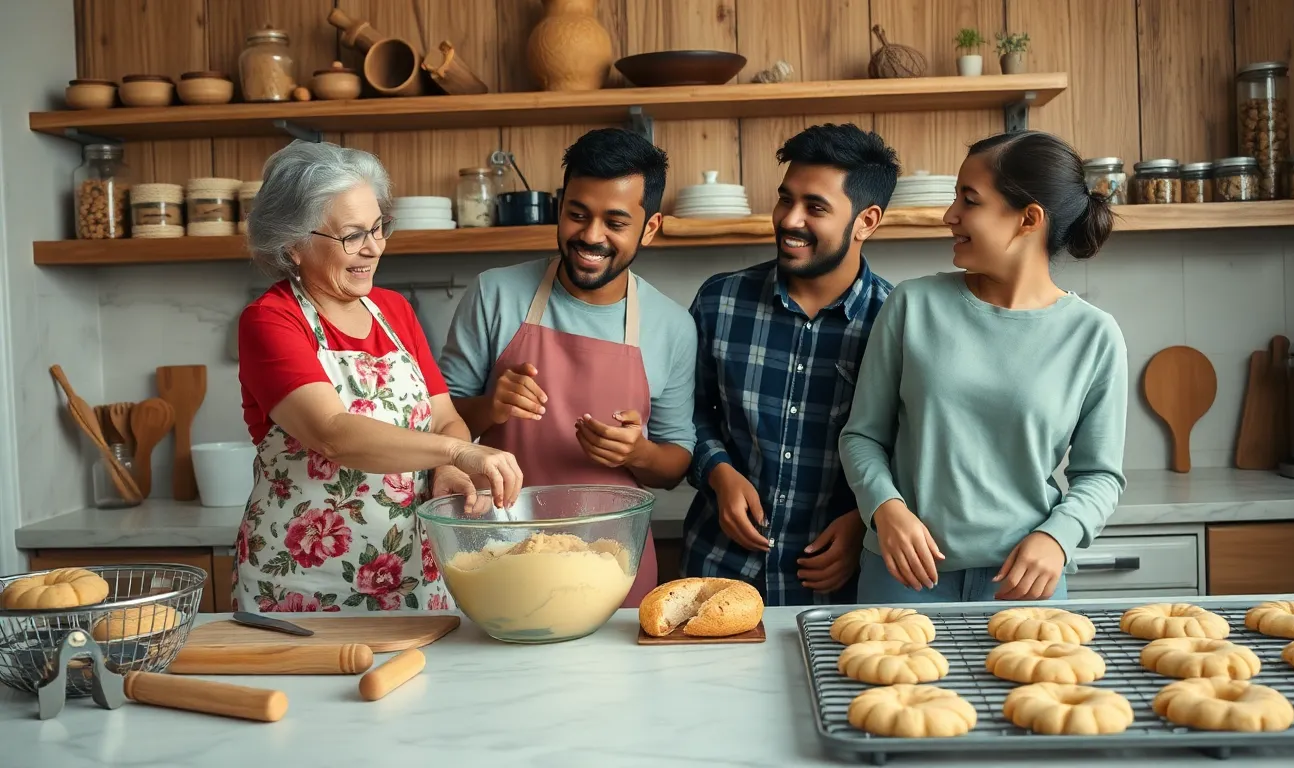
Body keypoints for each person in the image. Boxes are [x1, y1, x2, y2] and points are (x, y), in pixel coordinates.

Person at [234, 140, 523, 613]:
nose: (373, 247)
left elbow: (444, 417)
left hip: (413, 575)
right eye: (352, 235)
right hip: (304, 589)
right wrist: (458, 451)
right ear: (292, 242)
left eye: (378, 228)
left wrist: (447, 467)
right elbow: (333, 434)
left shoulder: (394, 310)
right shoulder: (270, 320)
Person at [839, 130, 1128, 604]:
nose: (949, 215)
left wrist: (1058, 537)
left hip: (1024, 583)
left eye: (969, 200)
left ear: (1028, 218)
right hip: (904, 576)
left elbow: (1100, 474)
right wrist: (885, 509)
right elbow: (862, 436)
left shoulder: (1094, 335)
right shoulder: (912, 305)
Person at [437, 128, 697, 608]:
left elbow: (676, 461)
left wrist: (636, 453)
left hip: (614, 565)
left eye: (615, 221)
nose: (590, 236)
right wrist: (490, 408)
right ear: (560, 207)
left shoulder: (672, 325)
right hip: (501, 554)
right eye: (578, 214)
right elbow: (435, 425)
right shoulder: (494, 294)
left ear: (651, 227)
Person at [682, 123, 901, 606]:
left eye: (815, 207)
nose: (789, 219)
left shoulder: (897, 320)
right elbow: (686, 413)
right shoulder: (720, 301)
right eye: (786, 199)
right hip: (717, 572)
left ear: (866, 221)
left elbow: (914, 448)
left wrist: (866, 518)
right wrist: (718, 471)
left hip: (841, 585)